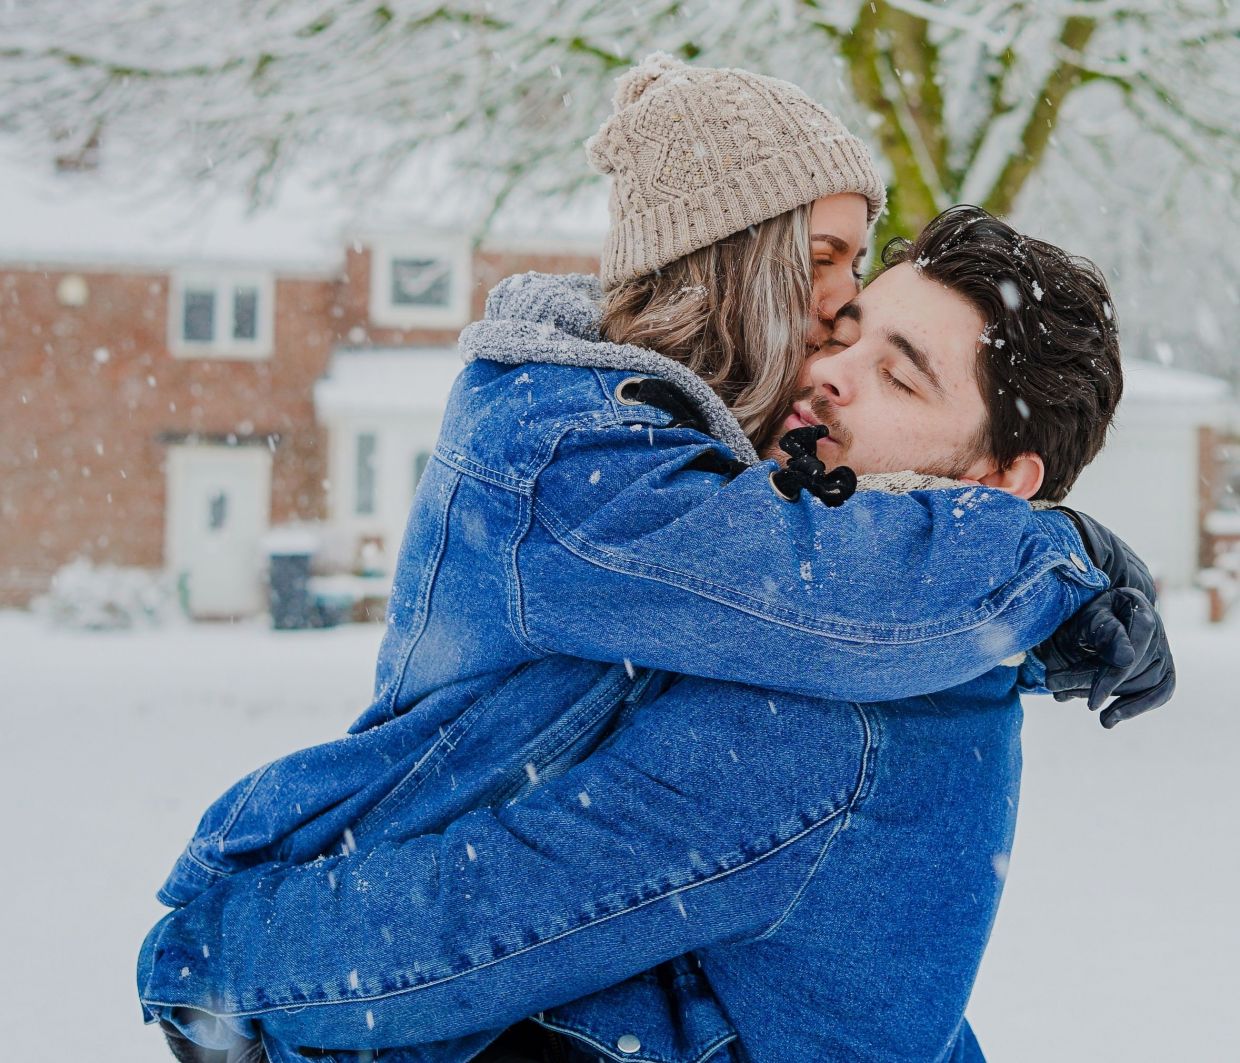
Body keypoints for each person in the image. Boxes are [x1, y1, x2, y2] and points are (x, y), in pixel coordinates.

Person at [139, 55, 1172, 1063]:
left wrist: (223, 963)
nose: (827, 365)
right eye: (838, 309)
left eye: (898, 379)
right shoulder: (616, 479)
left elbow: (495, 910)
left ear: (1002, 483)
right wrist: (1060, 563)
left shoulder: (828, 704)